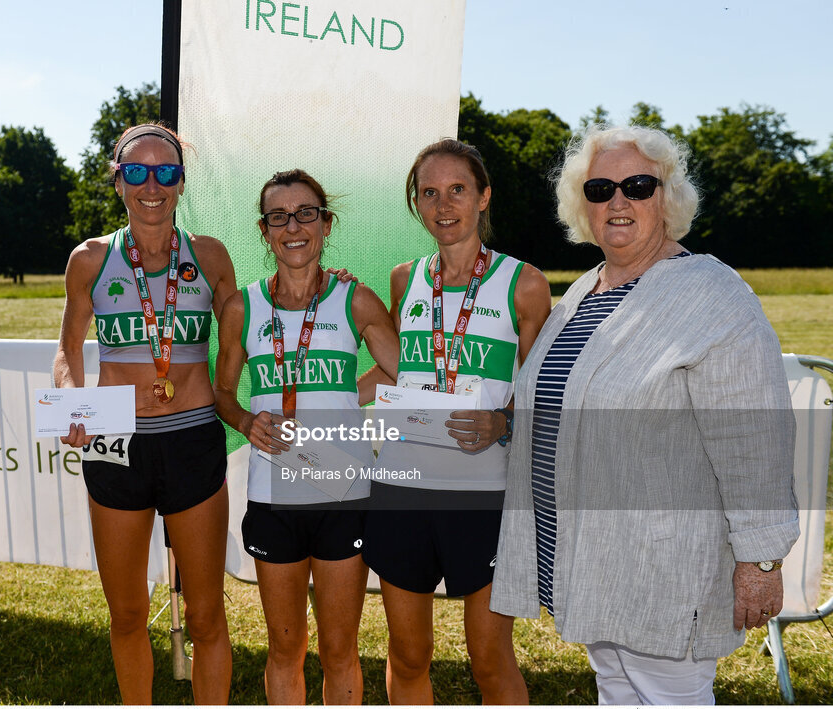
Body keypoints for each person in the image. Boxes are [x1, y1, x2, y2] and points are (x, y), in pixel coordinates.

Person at [489, 124, 800, 705]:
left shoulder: (710, 292)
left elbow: (754, 438)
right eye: (601, 188)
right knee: (616, 689)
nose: (618, 201)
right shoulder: (585, 291)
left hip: (662, 566)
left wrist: (761, 558)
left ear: (668, 196)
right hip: (592, 558)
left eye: (637, 184)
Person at [360, 139, 551, 704]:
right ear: (417, 204)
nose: (443, 205)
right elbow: (394, 370)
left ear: (483, 196)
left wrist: (502, 422)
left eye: (457, 190)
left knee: (490, 661)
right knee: (409, 654)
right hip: (400, 488)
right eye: (429, 193)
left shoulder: (526, 283)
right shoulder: (404, 279)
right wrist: (323, 406)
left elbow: (543, 391)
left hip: (483, 493)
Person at [54, 123, 235, 704]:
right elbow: (67, 348)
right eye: (136, 172)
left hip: (193, 441)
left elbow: (247, 329)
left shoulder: (208, 255)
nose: (151, 184)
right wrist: (71, 402)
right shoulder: (89, 259)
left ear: (181, 182)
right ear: (118, 183)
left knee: (207, 616)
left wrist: (318, 287)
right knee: (128, 613)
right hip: (116, 442)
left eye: (165, 172)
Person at [214, 169, 400, 705]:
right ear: (265, 230)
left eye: (306, 214)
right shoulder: (241, 308)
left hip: (344, 493)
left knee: (340, 650)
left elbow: (401, 373)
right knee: (284, 649)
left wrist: (349, 394)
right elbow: (224, 392)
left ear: (325, 224)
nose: (293, 226)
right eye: (279, 217)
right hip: (275, 498)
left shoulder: (355, 299)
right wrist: (248, 421)